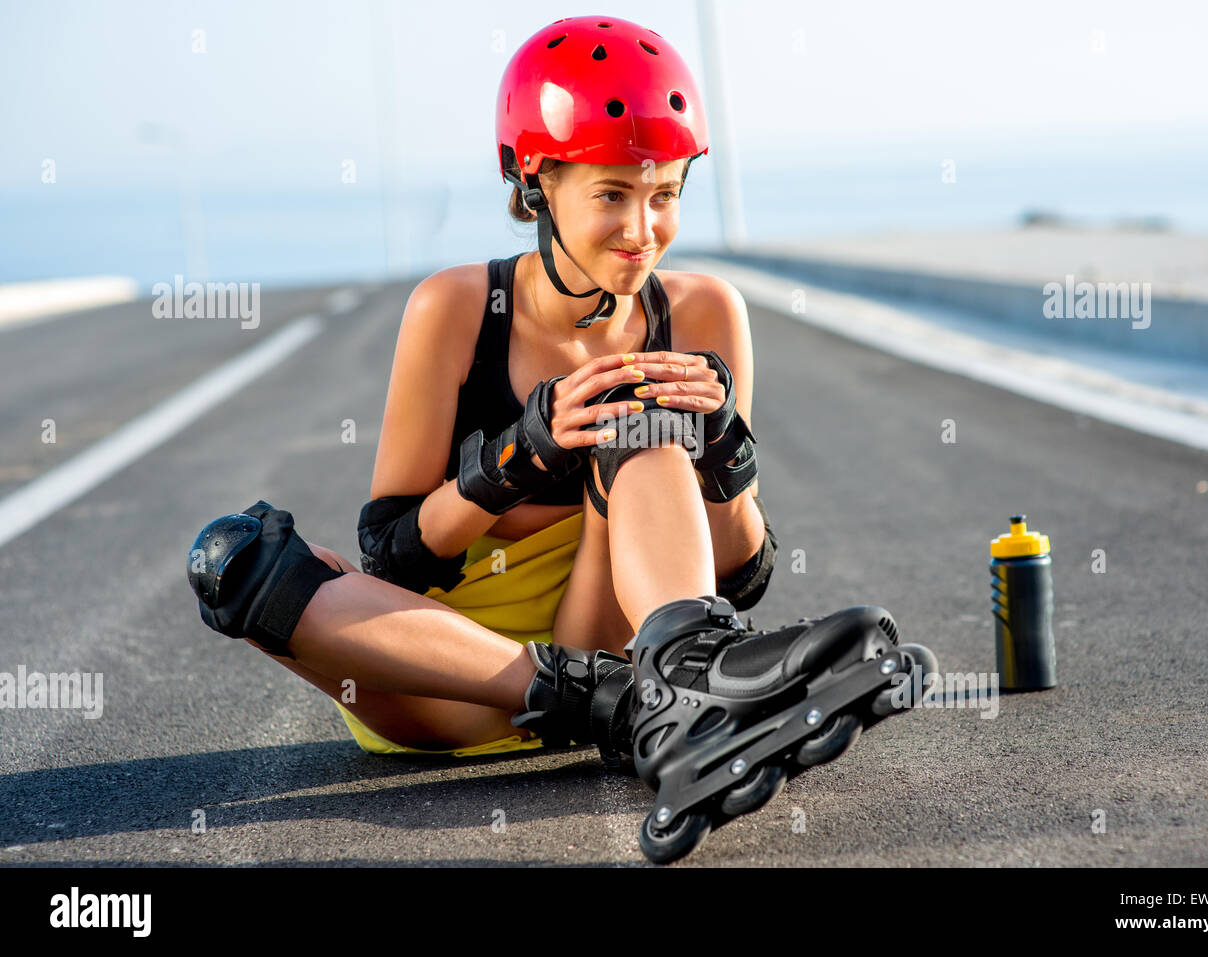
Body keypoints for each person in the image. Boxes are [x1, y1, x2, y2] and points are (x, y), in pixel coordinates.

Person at [186, 14, 933, 864]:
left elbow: (740, 571)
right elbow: (393, 556)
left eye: (665, 196)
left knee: (643, 416)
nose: (642, 230)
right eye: (612, 195)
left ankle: (683, 680)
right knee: (235, 562)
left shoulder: (704, 312)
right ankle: (631, 706)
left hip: (614, 626)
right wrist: (518, 455)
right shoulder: (455, 308)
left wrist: (722, 446)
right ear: (537, 180)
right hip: (457, 682)